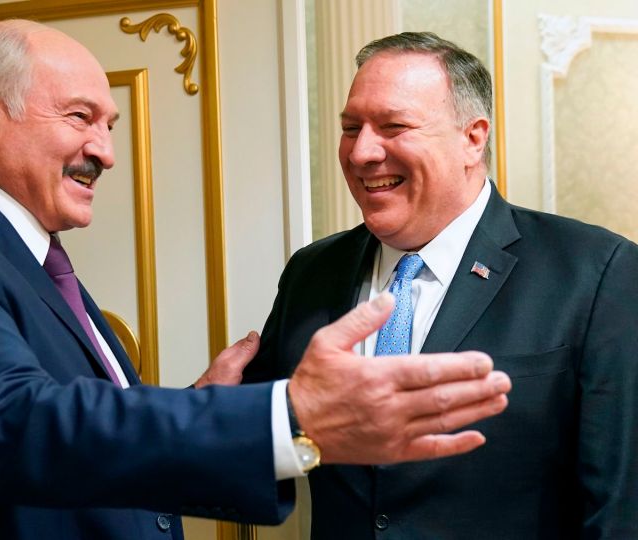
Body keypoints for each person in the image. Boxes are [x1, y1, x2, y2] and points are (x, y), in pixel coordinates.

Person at [0, 21, 512, 540]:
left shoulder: (20, 256)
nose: (106, 151)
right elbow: (17, 425)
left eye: (110, 125)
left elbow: (74, 437)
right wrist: (287, 418)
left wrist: (202, 405)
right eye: (80, 117)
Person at [244, 31, 638, 539]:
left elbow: (620, 507)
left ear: (473, 138)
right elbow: (256, 442)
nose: (362, 152)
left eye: (394, 126)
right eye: (351, 127)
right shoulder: (312, 272)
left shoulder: (596, 272)